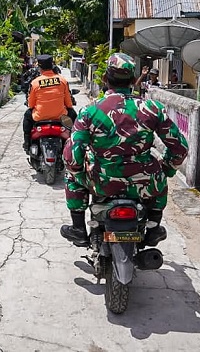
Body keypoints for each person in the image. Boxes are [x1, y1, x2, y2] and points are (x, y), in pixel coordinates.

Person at [60, 53, 189, 247]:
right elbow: (179, 148)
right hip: (145, 183)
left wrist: (77, 170)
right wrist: (167, 169)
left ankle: (78, 228)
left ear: (105, 78)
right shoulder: (152, 108)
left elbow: (72, 153)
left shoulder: (90, 111)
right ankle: (154, 228)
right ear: (132, 80)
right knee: (160, 177)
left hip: (101, 181)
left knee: (72, 177)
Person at [22, 54, 77, 153]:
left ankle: (27, 143)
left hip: (39, 117)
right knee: (74, 115)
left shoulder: (35, 83)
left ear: (40, 68)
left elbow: (30, 105)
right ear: (52, 66)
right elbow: (69, 104)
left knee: (27, 115)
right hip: (60, 117)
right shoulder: (62, 80)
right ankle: (76, 143)